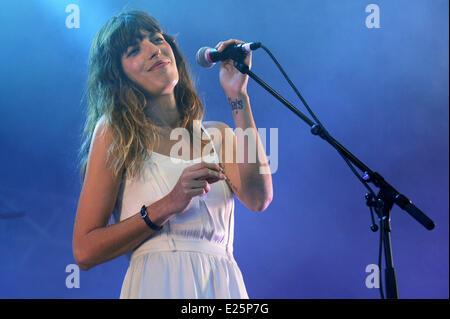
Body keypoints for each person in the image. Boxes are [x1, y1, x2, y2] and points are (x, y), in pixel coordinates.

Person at [73, 10, 273, 299]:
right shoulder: (115, 132)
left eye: (157, 39)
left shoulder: (218, 135)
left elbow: (259, 198)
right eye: (134, 50)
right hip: (158, 283)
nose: (154, 50)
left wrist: (237, 95)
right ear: (118, 76)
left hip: (222, 285)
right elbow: (84, 250)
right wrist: (168, 203)